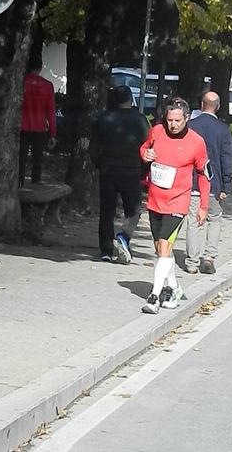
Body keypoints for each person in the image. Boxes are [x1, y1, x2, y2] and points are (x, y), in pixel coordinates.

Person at [140, 97, 211, 314]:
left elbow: (204, 175)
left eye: (178, 120)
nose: (173, 124)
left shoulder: (196, 142)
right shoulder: (157, 131)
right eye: (170, 120)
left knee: (163, 247)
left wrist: (204, 206)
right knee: (161, 250)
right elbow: (143, 149)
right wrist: (145, 155)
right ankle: (174, 288)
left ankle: (154, 296)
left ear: (187, 118)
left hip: (178, 202)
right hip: (155, 199)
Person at [89, 85, 149, 264]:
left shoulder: (104, 118)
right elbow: (148, 146)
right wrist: (144, 170)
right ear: (131, 99)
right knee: (133, 210)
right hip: (131, 171)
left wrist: (99, 163)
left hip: (108, 170)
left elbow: (93, 147)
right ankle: (124, 237)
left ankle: (106, 250)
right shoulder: (140, 120)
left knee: (107, 211)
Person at [185, 91, 232, 275]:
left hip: (192, 182)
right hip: (214, 183)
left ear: (201, 105)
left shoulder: (190, 126)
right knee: (214, 219)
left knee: (193, 221)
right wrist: (226, 185)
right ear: (218, 107)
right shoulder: (223, 130)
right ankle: (209, 257)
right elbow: (226, 159)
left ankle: (191, 262)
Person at [19, 58, 56, 186]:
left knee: (20, 158)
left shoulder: (20, 83)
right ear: (40, 68)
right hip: (39, 128)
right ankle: (35, 184)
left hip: (22, 126)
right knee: (37, 160)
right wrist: (52, 133)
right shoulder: (47, 85)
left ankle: (19, 183)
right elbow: (51, 111)